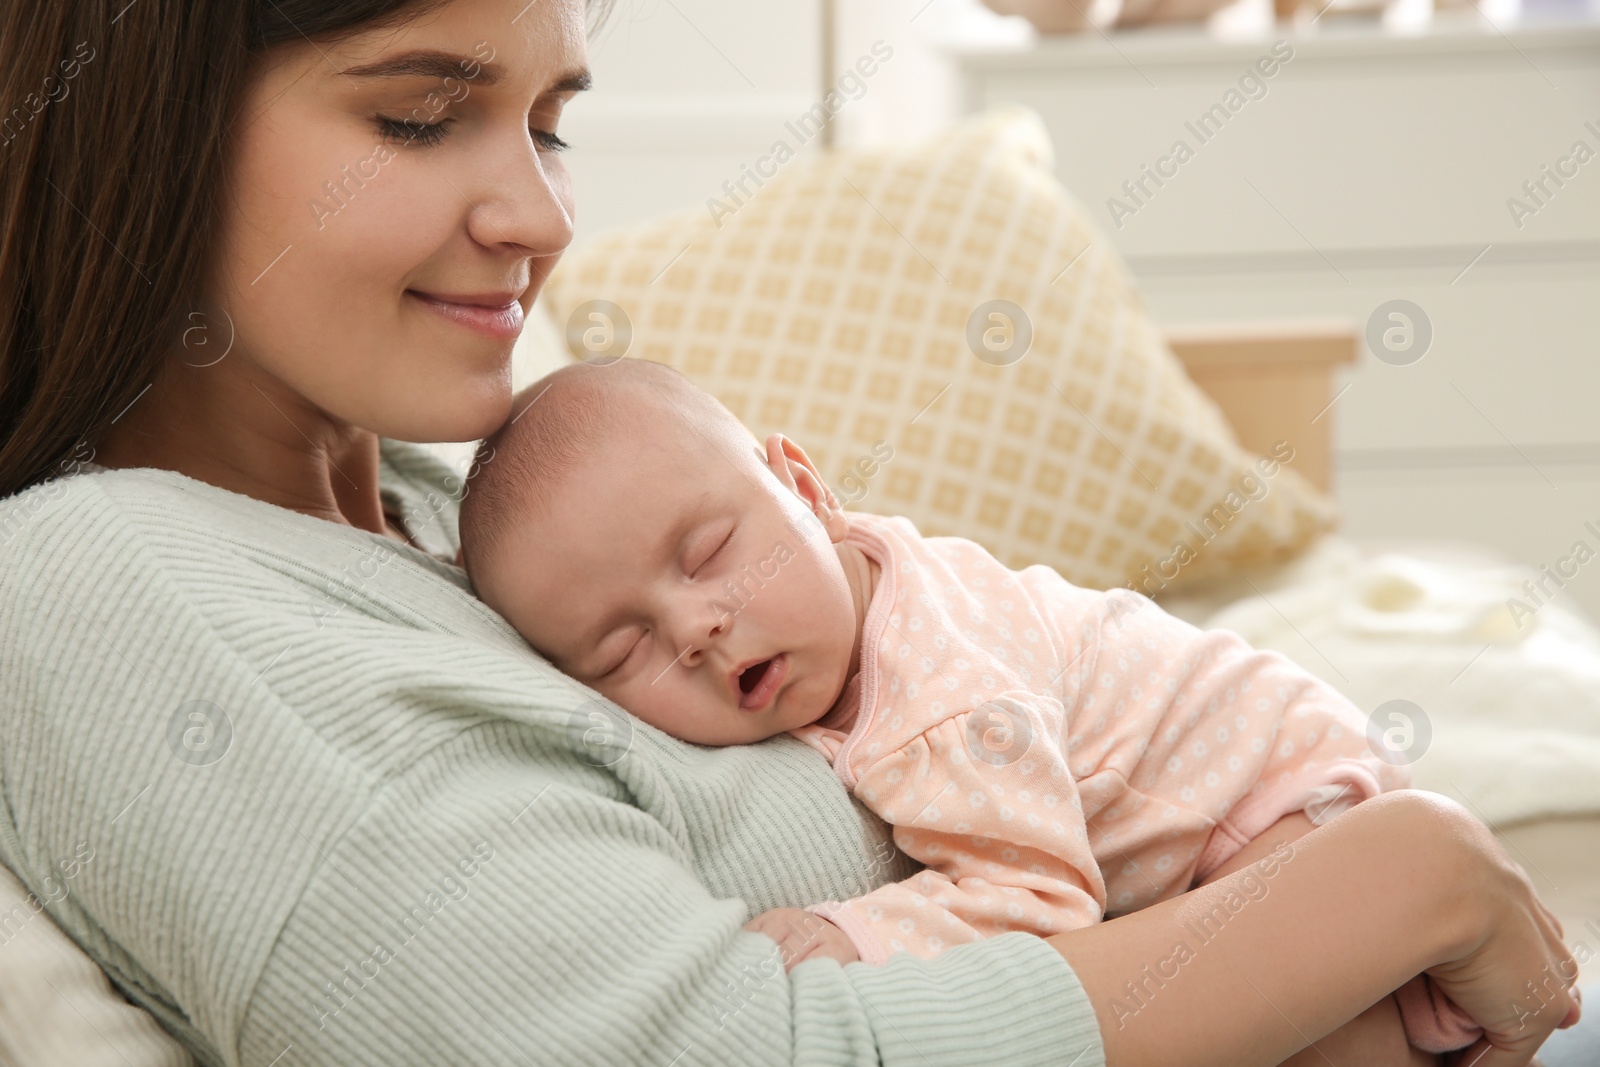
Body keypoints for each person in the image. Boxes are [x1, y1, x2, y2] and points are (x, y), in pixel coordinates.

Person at [0, 0, 1583, 1064]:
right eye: (423, 117)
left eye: (550, 125)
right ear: (145, 124)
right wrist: (1400, 882)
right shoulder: (116, 594)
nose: (544, 218)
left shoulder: (442, 515)